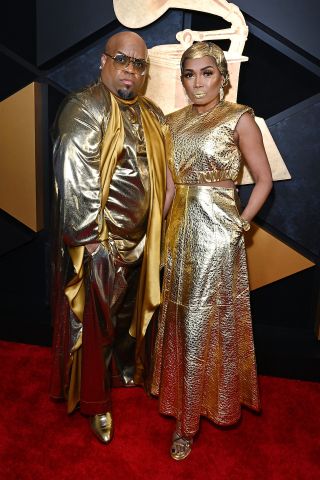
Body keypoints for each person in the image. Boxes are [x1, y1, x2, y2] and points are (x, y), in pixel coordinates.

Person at [49, 31, 173, 444]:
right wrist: (91, 244)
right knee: (95, 328)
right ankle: (96, 407)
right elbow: (75, 180)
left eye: (139, 65)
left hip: (142, 240)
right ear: (103, 62)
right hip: (99, 244)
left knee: (126, 322)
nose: (131, 71)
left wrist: (157, 225)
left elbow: (162, 176)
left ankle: (125, 373)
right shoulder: (84, 108)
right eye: (123, 60)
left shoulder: (152, 114)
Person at [151, 41, 273, 460]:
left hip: (218, 232)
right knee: (182, 318)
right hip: (179, 232)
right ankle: (183, 401)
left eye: (207, 72)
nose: (197, 82)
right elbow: (169, 187)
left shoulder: (238, 117)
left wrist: (240, 225)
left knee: (205, 320)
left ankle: (189, 422)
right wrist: (157, 233)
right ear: (182, 79)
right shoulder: (171, 122)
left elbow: (263, 180)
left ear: (222, 77)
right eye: (189, 74)